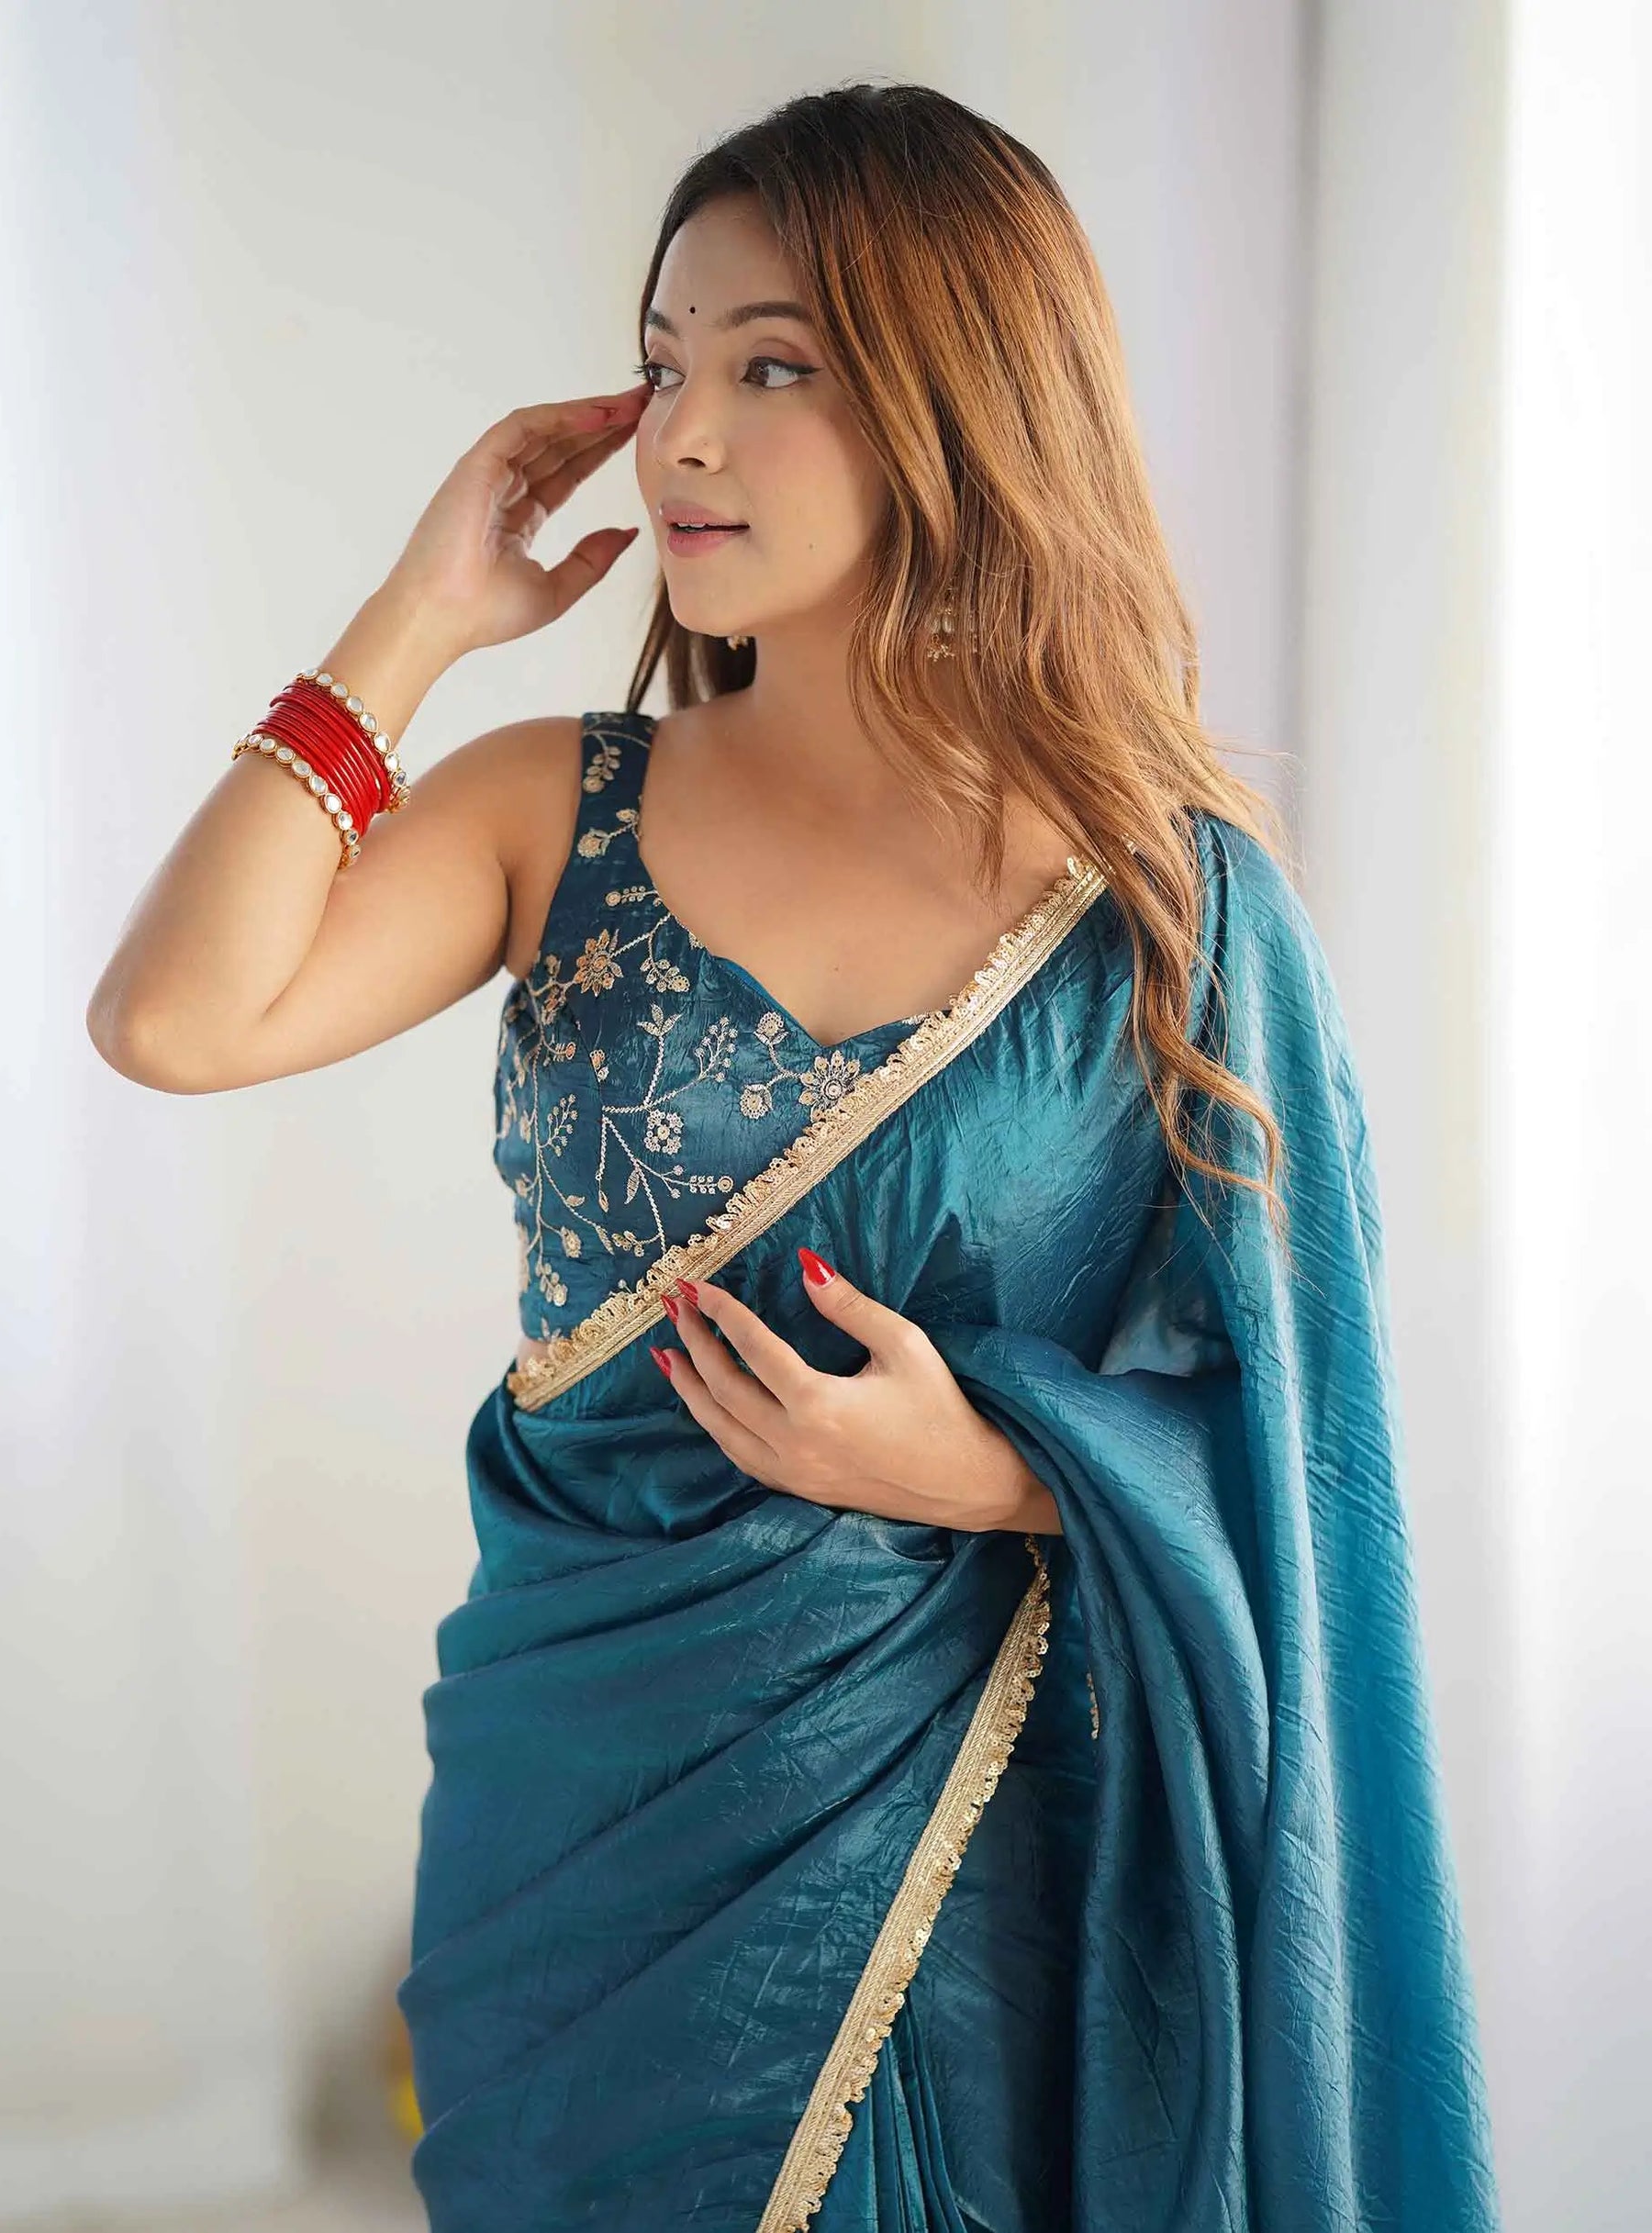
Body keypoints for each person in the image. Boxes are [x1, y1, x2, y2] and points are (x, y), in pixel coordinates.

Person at [87, 80, 1499, 2233]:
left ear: (959, 397)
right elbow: (173, 1020)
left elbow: (1316, 1444)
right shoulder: (551, 803)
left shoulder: (1167, 906)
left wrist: (1006, 1470)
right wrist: (417, 615)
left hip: (992, 1839)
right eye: (662, 365)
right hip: (590, 1802)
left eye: (770, 368)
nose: (682, 437)